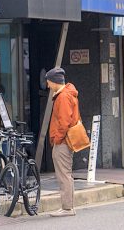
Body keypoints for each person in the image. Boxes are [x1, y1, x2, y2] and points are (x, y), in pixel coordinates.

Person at [46, 67, 79, 217]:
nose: (47, 86)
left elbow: (64, 121)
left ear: (54, 82)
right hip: (65, 140)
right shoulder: (66, 94)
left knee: (64, 174)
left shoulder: (63, 96)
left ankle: (67, 208)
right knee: (65, 174)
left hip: (63, 141)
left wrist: (57, 139)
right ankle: (67, 206)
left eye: (48, 82)